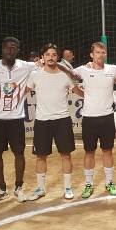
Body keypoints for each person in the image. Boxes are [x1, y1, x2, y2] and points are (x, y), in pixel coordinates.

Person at [0, 37, 37, 203]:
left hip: (16, 119)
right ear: (2, 49)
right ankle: (1, 188)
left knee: (19, 153)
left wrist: (74, 72)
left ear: (18, 50)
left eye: (13, 47)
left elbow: (49, 63)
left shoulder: (26, 66)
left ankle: (19, 188)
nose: (9, 50)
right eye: (7, 47)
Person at [27, 44, 81, 201]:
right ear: (42, 57)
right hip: (42, 121)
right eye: (47, 54)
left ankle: (68, 188)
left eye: (54, 54)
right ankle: (40, 188)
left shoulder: (65, 76)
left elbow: (78, 92)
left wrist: (98, 95)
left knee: (66, 155)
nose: (51, 57)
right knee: (40, 156)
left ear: (58, 57)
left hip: (62, 120)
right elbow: (22, 92)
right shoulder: (35, 75)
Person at [73, 42, 116, 198]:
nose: (101, 55)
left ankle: (109, 182)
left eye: (103, 52)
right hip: (89, 119)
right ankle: (88, 184)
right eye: (97, 52)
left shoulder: (112, 69)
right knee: (89, 152)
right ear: (91, 55)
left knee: (107, 151)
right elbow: (67, 75)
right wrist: (82, 93)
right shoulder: (83, 70)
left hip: (107, 118)